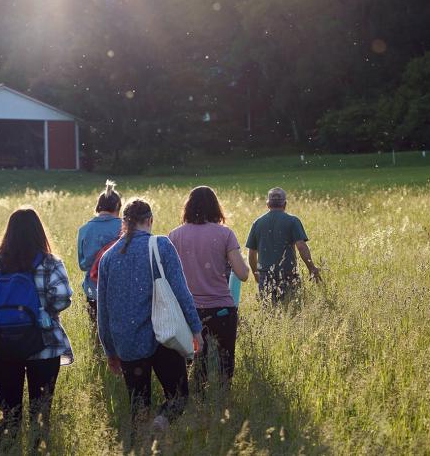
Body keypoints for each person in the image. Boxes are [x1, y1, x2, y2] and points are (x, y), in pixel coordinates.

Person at [0, 207, 74, 446]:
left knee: (8, 412)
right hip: (44, 345)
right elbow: (64, 298)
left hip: (2, 347)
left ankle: (7, 448)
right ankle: (38, 448)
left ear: (9, 232)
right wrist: (42, 309)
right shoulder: (51, 263)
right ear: (38, 231)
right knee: (41, 413)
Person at [96, 198, 204, 434]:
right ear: (150, 220)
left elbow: (102, 311)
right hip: (162, 337)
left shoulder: (108, 258)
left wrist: (110, 351)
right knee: (178, 397)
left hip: (127, 343)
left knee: (138, 408)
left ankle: (142, 444)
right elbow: (181, 291)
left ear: (124, 223)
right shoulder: (161, 245)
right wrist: (196, 329)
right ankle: (161, 425)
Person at [168, 186, 248, 390]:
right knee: (225, 362)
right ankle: (223, 401)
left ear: (188, 207)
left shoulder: (175, 236)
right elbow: (243, 274)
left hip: (188, 311)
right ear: (215, 207)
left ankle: (196, 400)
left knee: (194, 361)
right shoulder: (225, 234)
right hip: (221, 309)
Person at [245, 187, 321, 303]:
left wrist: (256, 274)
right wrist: (311, 268)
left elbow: (251, 254)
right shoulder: (293, 221)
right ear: (285, 204)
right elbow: (301, 246)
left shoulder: (257, 223)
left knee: (268, 311)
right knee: (292, 309)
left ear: (267, 204)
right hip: (288, 273)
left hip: (265, 275)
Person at [76, 180, 122, 326]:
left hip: (92, 289)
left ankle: (96, 349)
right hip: (120, 289)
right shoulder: (125, 228)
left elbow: (82, 265)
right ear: (117, 206)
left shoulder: (84, 230)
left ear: (98, 206)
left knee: (95, 330)